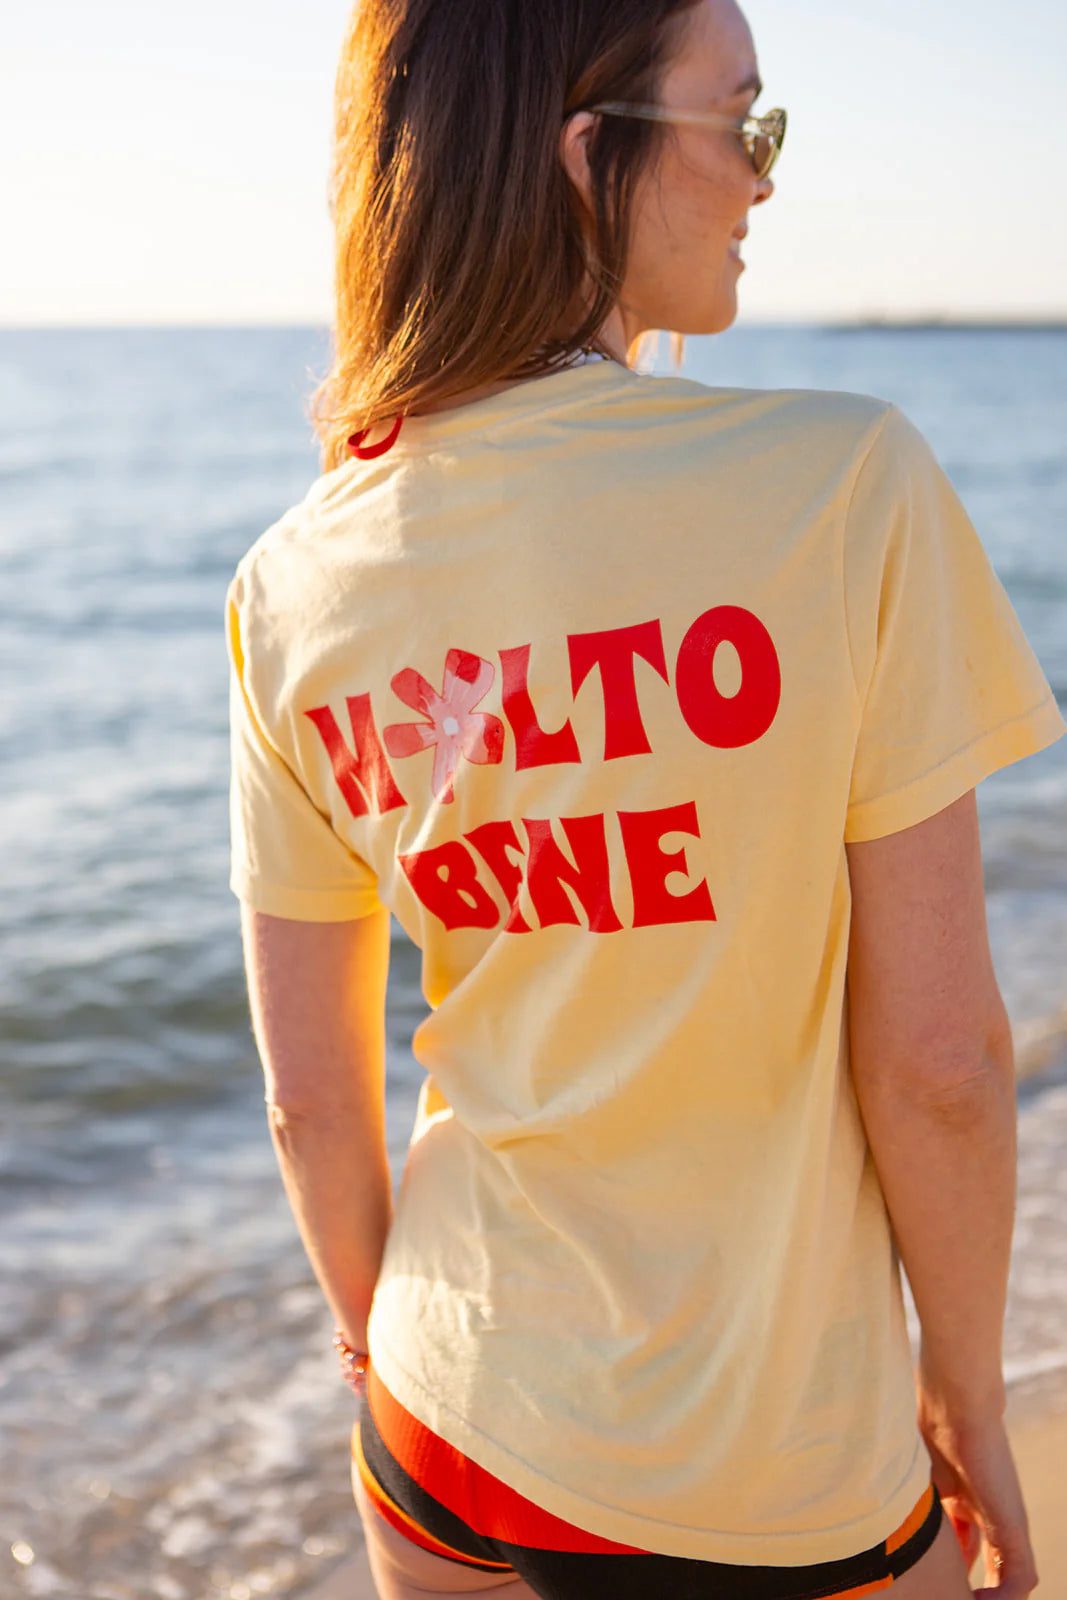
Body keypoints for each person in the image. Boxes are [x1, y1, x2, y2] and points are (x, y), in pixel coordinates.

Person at [225, 1, 1065, 1595]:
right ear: (584, 155)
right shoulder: (843, 488)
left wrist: (367, 1315)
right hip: (786, 1470)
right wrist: (963, 1388)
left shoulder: (296, 580)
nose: (762, 180)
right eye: (739, 124)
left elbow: (311, 1100)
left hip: (447, 1431)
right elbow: (943, 1061)